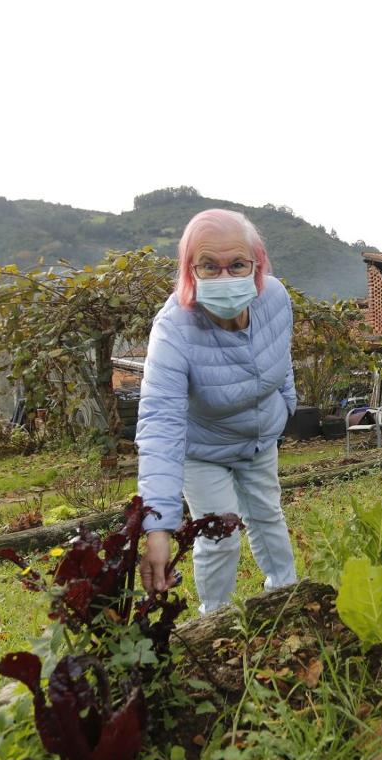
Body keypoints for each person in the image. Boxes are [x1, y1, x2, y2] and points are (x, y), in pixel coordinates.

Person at [135, 209, 298, 614]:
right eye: (209, 266)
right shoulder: (174, 328)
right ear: (190, 271)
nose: (225, 277)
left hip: (258, 439)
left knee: (267, 517)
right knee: (220, 535)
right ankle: (217, 618)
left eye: (237, 265)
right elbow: (160, 422)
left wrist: (285, 408)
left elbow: (282, 357)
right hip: (203, 449)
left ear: (256, 265)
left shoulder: (275, 298)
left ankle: (287, 597)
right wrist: (158, 525)